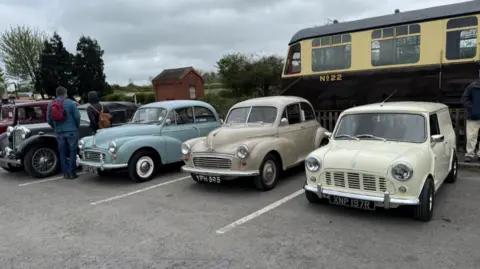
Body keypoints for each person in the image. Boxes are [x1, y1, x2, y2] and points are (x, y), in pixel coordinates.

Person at [47, 86, 81, 179]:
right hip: (71, 130)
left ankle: (65, 173)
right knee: (72, 151)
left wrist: (55, 127)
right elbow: (77, 116)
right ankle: (72, 172)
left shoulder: (51, 104)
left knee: (62, 152)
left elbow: (48, 119)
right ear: (65, 93)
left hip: (59, 131)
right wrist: (76, 126)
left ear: (56, 94)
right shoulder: (70, 103)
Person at [461, 79, 480, 162]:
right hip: (473, 115)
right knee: (471, 136)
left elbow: (464, 99)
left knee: (471, 136)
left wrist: (472, 108)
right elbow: (464, 99)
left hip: (473, 115)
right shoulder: (472, 86)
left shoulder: (472, 86)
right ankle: (469, 154)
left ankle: (469, 154)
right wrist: (473, 108)